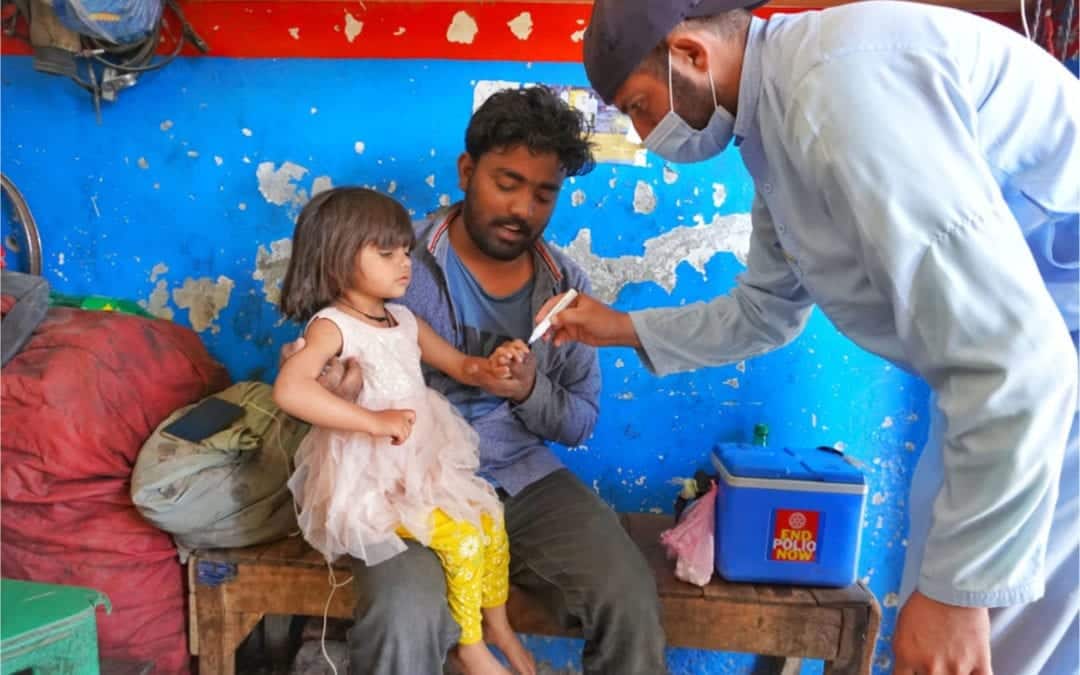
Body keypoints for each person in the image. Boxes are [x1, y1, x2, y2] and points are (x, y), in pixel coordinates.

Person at [541, 2, 1078, 674]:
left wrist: (956, 591)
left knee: (997, 638)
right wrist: (617, 327)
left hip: (1045, 379)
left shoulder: (840, 92)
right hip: (999, 384)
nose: (647, 136)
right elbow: (766, 308)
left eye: (643, 107)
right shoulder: (776, 117)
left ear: (692, 56)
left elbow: (1018, 360)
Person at [283, 86, 668, 675]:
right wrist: (342, 384)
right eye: (507, 183)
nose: (522, 210)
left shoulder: (564, 282)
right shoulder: (393, 260)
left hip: (521, 479)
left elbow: (581, 421)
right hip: (405, 487)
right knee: (404, 611)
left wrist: (528, 389)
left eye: (544, 195)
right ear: (467, 171)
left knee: (628, 597)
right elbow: (316, 369)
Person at [273, 186, 535, 675]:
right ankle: (471, 646)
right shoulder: (333, 327)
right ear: (337, 259)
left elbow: (462, 367)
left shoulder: (404, 320)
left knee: (489, 519)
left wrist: (494, 365)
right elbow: (290, 391)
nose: (405, 263)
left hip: (415, 467)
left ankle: (496, 623)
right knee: (462, 538)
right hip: (369, 482)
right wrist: (373, 421)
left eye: (406, 252)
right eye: (387, 253)